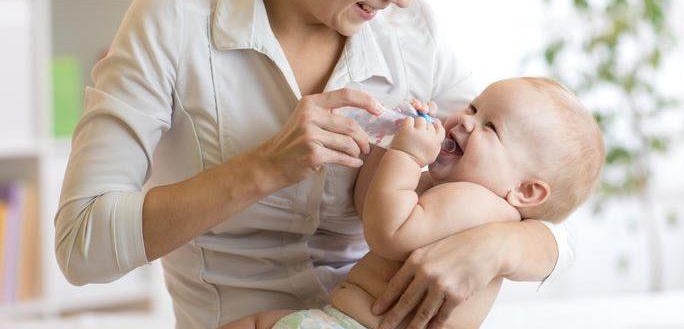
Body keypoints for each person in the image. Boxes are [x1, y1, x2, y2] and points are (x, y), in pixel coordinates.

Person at [54, 0, 575, 328]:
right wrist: (263, 167)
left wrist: (499, 247)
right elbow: (81, 247)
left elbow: (543, 174)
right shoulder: (175, 17)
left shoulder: (414, 36)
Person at [224, 77, 603, 329]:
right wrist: (394, 137)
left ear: (527, 192)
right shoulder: (460, 193)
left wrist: (406, 155)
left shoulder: (477, 203)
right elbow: (377, 197)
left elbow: (389, 232)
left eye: (491, 127)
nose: (467, 121)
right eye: (473, 108)